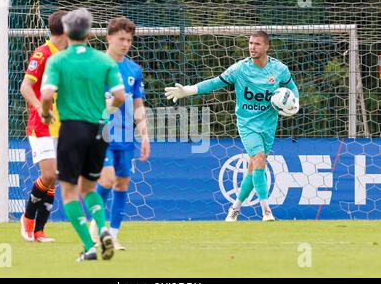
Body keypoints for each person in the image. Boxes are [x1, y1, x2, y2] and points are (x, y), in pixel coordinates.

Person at [165, 30, 299, 222]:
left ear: (267, 46)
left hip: (269, 124)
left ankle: (234, 209)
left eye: (257, 44)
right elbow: (215, 83)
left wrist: (296, 103)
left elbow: (292, 88)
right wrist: (188, 90)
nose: (252, 47)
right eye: (251, 43)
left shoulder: (279, 69)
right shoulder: (240, 69)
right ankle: (266, 211)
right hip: (247, 123)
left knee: (254, 168)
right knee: (260, 159)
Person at [40, 8, 126, 261]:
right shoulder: (104, 61)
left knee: (68, 191)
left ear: (66, 31)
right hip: (100, 129)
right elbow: (120, 96)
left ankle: (89, 246)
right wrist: (104, 111)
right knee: (89, 188)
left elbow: (46, 96)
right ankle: (104, 230)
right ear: (89, 32)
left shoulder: (58, 60)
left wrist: (46, 114)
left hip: (72, 129)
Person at [89, 17, 150, 251]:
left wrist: (144, 135)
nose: (125, 44)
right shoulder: (95, 66)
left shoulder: (134, 69)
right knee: (107, 179)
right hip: (99, 133)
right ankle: (98, 226)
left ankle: (113, 235)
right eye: (121, 39)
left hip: (125, 135)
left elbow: (137, 105)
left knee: (122, 183)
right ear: (109, 38)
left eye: (129, 40)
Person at [19, 10, 68, 243]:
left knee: (54, 177)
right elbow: (25, 87)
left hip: (62, 126)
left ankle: (39, 230)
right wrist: (39, 106)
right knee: (49, 174)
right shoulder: (43, 53)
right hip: (42, 126)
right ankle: (28, 219)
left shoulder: (66, 56)